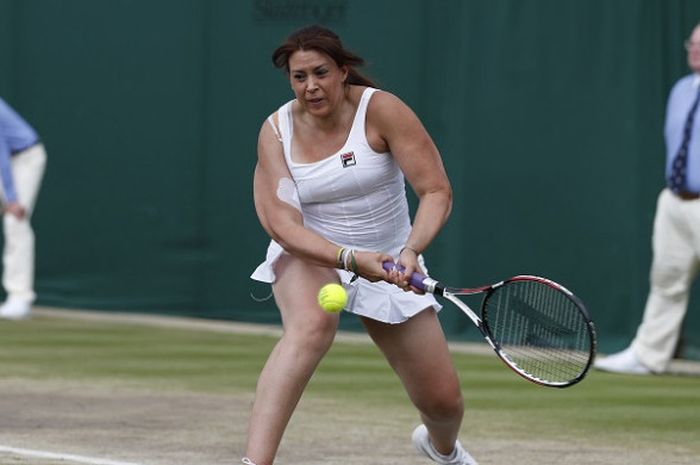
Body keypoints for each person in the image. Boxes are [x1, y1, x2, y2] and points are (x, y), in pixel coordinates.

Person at [245, 25, 477, 465]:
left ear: (342, 71)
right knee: (311, 327)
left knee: (443, 403)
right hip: (312, 253)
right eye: (299, 77)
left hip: (391, 256)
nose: (310, 86)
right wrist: (346, 258)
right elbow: (281, 224)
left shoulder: (383, 111)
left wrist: (410, 251)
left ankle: (442, 450)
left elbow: (435, 191)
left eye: (320, 72)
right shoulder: (276, 132)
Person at [595, 23, 700, 375]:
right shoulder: (682, 90)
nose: (694, 50)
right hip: (675, 200)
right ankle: (648, 355)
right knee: (666, 279)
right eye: (692, 43)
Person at [0, 97, 46, 320]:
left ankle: (20, 298)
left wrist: (12, 199)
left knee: (14, 221)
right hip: (7, 162)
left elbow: (1, 153)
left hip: (25, 159)